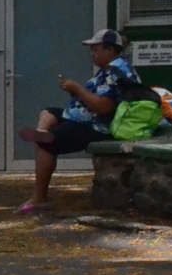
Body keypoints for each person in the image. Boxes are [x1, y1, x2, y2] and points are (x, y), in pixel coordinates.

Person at [19, 29, 149, 213]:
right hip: (83, 117)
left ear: (110, 50)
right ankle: (43, 134)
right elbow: (91, 98)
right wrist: (72, 92)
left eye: (96, 49)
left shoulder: (117, 72)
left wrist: (77, 89)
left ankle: (39, 197)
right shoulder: (107, 70)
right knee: (48, 112)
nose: (92, 54)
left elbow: (104, 107)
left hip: (97, 126)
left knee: (46, 145)